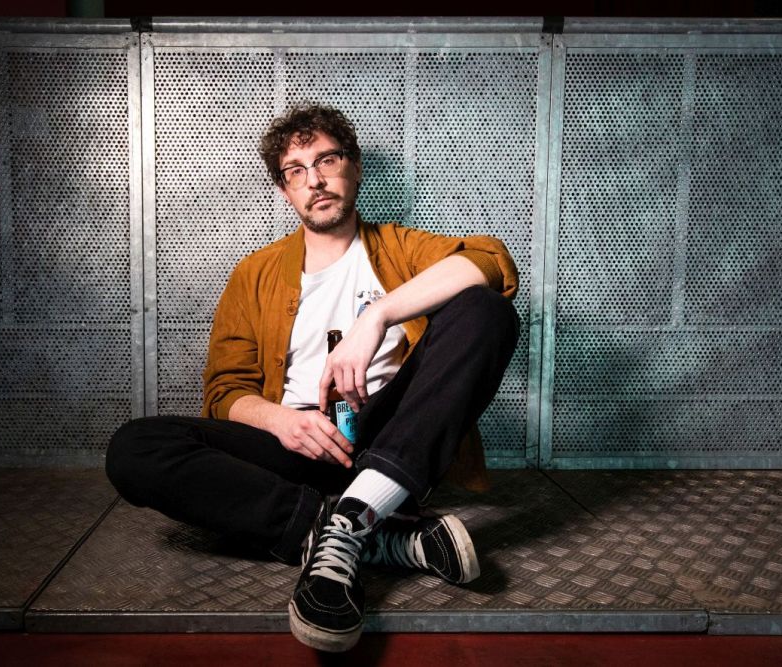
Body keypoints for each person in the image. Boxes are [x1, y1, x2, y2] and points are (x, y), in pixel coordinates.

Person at [106, 104, 520, 652]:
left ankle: (360, 505)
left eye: (327, 160)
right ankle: (365, 532)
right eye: (296, 170)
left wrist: (377, 316)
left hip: (388, 441)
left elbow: (491, 261)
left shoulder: (399, 247)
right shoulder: (254, 273)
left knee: (487, 310)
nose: (314, 180)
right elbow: (225, 391)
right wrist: (281, 421)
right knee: (135, 447)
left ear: (354, 167)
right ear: (285, 190)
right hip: (294, 448)